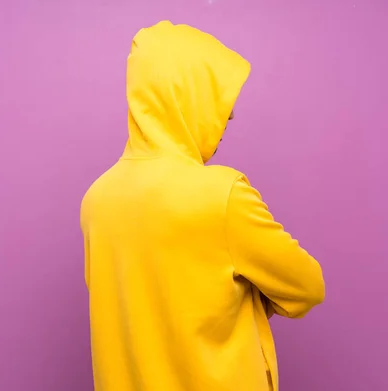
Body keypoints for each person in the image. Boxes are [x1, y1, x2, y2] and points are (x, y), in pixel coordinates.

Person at [80, 20, 325, 391]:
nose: (229, 116)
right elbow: (308, 287)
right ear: (185, 94)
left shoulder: (96, 199)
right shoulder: (222, 194)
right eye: (216, 96)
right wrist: (249, 293)